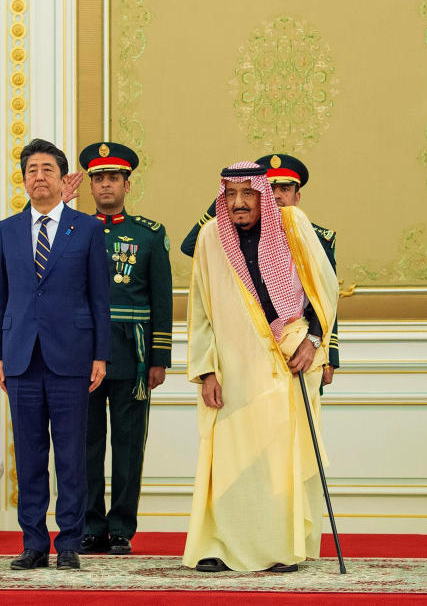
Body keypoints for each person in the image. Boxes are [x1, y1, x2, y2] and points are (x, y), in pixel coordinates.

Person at [182, 161, 339, 573]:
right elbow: (199, 309)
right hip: (233, 365)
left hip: (290, 357)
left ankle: (279, 547)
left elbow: (325, 290)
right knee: (228, 458)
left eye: (247, 194)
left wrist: (313, 342)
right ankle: (218, 545)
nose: (238, 203)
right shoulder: (211, 236)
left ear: (262, 195)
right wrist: (206, 370)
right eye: (230, 194)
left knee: (278, 459)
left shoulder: (293, 226)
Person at [0, 138, 110, 571]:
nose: (38, 176)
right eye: (31, 170)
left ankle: (70, 542)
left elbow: (100, 298)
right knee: (30, 453)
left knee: (72, 455)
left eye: (47, 169)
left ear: (63, 180)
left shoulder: (88, 229)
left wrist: (100, 353)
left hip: (73, 357)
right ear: (24, 181)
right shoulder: (7, 230)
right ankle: (34, 543)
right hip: (20, 357)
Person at [76, 142, 173, 556]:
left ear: (126, 184)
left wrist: (159, 358)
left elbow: (162, 298)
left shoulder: (149, 235)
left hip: (132, 357)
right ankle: (91, 526)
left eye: (113, 178)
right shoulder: (74, 230)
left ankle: (120, 529)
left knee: (129, 446)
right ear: (91, 186)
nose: (105, 185)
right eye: (98, 179)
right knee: (86, 445)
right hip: (83, 355)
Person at [179, 154, 340, 386]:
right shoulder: (233, 234)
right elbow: (190, 246)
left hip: (300, 351)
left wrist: (328, 356)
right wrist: (230, 196)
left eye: (284, 188)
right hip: (244, 353)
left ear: (298, 196)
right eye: (268, 187)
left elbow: (325, 297)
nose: (275, 195)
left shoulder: (312, 237)